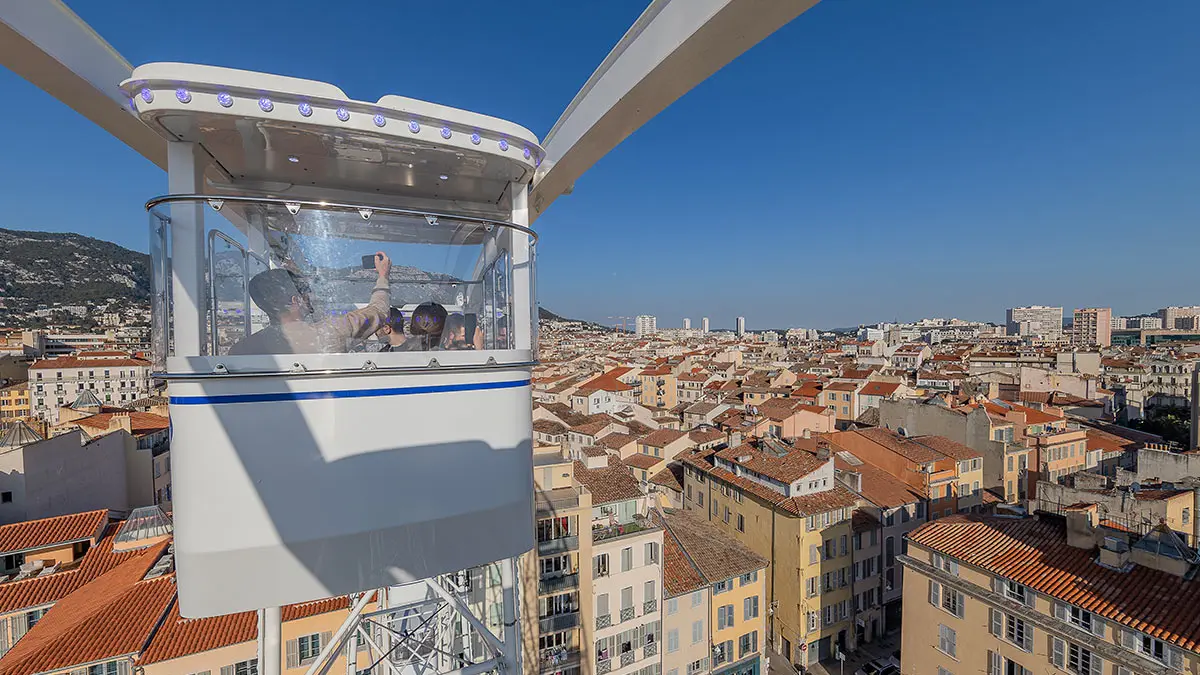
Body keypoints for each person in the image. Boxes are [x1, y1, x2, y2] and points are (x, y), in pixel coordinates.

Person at [230, 251, 392, 355]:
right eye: (304, 291)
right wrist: (383, 275)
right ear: (295, 300)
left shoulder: (241, 350)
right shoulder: (329, 333)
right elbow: (379, 310)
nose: (310, 295)